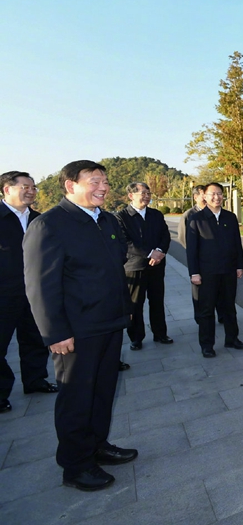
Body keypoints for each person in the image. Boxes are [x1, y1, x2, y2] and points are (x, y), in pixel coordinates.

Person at [23, 160, 136, 491]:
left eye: (105, 181)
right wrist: (55, 333)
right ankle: (75, 464)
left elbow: (115, 269)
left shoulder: (106, 220)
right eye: (94, 181)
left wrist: (124, 311)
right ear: (70, 185)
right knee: (76, 397)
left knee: (103, 393)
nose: (103, 187)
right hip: (76, 331)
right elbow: (39, 285)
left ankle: (97, 446)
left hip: (109, 322)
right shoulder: (49, 225)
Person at [0, 171, 56, 414]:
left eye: (33, 187)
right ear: (6, 189)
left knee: (34, 338)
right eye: (24, 186)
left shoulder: (39, 220)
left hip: (34, 292)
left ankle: (35, 380)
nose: (31, 190)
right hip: (4, 293)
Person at [186, 182, 243, 358]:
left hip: (228, 270)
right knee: (206, 310)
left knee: (229, 307)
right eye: (212, 194)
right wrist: (194, 272)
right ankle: (207, 344)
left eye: (219, 194)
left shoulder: (230, 217)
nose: (216, 197)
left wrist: (239, 265)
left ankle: (232, 338)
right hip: (207, 273)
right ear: (204, 196)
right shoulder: (196, 219)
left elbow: (237, 243)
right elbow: (192, 249)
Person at [116, 182, 173, 350]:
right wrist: (150, 253)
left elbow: (165, 235)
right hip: (134, 267)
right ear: (131, 196)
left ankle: (160, 334)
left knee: (157, 301)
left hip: (156, 266)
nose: (147, 196)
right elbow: (125, 242)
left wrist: (160, 251)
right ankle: (136, 338)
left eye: (148, 193)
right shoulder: (122, 217)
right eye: (143, 193)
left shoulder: (156, 215)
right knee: (135, 305)